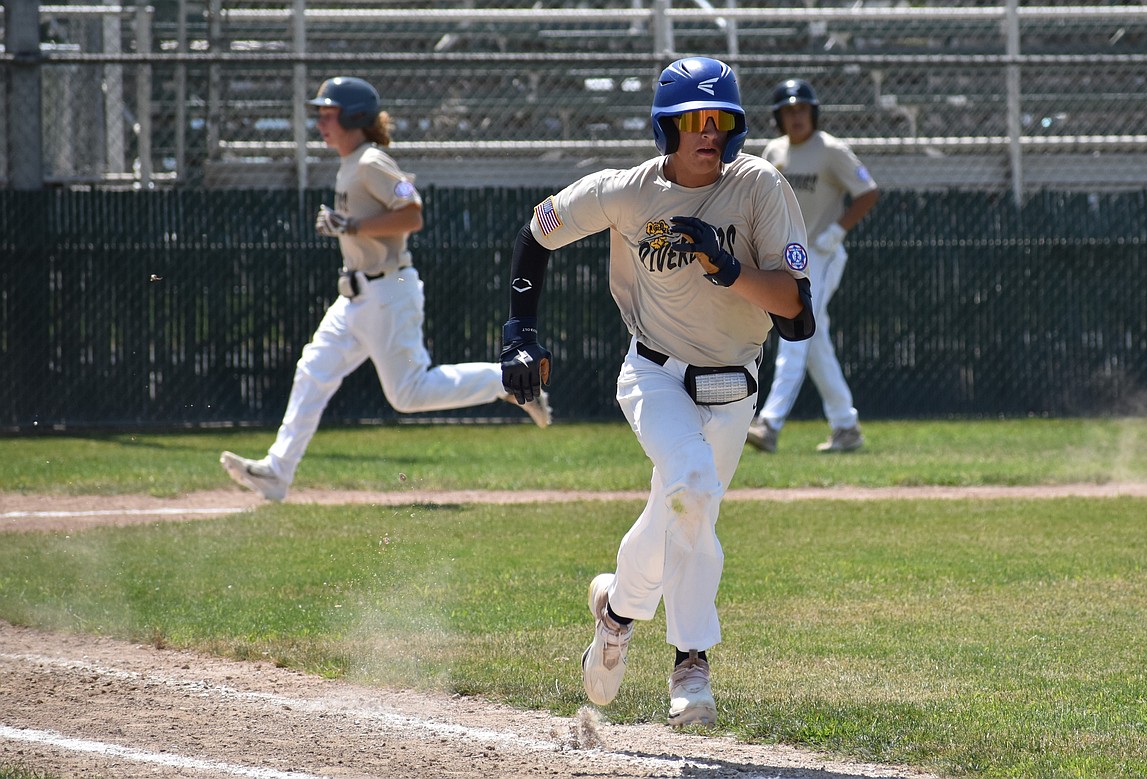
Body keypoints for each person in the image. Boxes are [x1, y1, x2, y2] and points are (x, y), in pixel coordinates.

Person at [497, 57, 814, 727]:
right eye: (693, 120)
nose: (709, 132)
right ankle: (691, 661)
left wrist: (727, 267)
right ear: (665, 127)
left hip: (734, 387)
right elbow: (537, 231)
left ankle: (615, 612)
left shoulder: (760, 186)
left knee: (675, 514)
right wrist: (518, 332)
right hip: (653, 374)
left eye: (720, 119)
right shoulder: (627, 191)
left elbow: (796, 311)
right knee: (693, 491)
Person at [221, 76, 551, 502]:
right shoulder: (351, 162)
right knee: (312, 371)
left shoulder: (371, 161)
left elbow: (412, 213)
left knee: (409, 394)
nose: (321, 121)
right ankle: (277, 472)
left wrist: (354, 225)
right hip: (356, 295)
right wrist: (347, 227)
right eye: (320, 113)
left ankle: (508, 380)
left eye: (329, 113)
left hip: (388, 290)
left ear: (355, 116)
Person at [746, 78, 879, 454]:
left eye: (802, 109)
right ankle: (846, 426)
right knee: (814, 339)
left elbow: (868, 191)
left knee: (796, 334)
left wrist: (837, 231)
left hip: (820, 252)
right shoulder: (774, 151)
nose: (796, 116)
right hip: (787, 254)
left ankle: (769, 423)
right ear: (779, 117)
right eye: (789, 110)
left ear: (814, 112)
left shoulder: (831, 150)